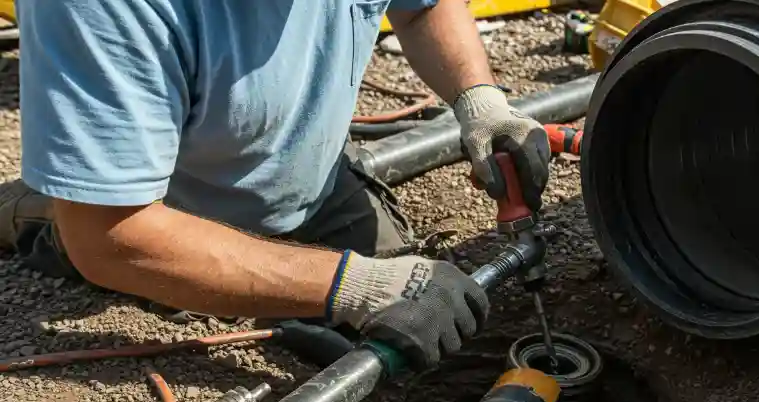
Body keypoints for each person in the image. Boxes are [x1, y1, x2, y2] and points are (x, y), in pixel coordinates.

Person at [0, 0, 551, 371]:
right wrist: (359, 287)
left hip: (314, 177)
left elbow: (424, 6)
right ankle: (29, 203)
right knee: (77, 210)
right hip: (170, 217)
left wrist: (481, 101)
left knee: (428, 327)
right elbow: (110, 236)